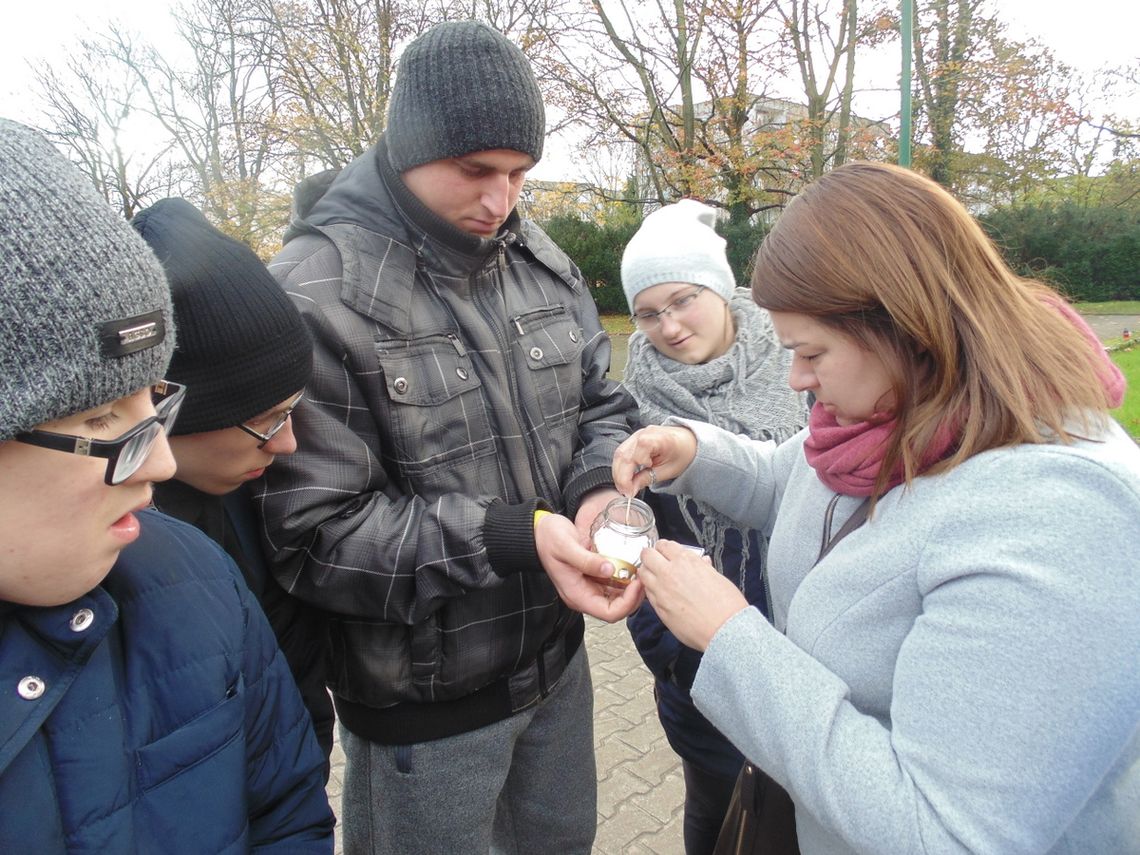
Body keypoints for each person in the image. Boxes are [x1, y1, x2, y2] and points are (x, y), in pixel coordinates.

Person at [612, 162, 1139, 854]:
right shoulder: (895, 415)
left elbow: (948, 831)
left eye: (811, 352)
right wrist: (696, 450)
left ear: (903, 326)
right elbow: (795, 477)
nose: (796, 377)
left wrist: (733, 637)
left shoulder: (1060, 517)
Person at [256, 21, 642, 855]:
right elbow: (316, 538)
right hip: (424, 713)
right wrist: (515, 536)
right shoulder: (316, 295)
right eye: (476, 171)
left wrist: (600, 490)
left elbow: (600, 405)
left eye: (519, 174)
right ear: (408, 147)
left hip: (558, 668)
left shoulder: (538, 257)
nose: (500, 201)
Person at [0, 119, 335, 852]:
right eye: (101, 416)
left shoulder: (188, 575)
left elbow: (286, 808)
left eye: (154, 404)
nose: (155, 465)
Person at [619, 199, 807, 855]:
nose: (667, 327)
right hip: (701, 668)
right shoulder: (632, 402)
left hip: (806, 647)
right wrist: (674, 655)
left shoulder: (802, 361)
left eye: (683, 300)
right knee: (717, 810)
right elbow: (636, 535)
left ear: (720, 287)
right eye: (647, 313)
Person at [130, 197, 335, 766]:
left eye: (292, 410)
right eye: (265, 422)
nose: (288, 444)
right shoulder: (110, 554)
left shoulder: (252, 495)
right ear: (171, 414)